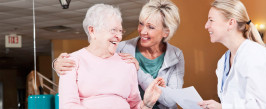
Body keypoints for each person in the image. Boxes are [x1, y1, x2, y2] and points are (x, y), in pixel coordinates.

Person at [54, 0, 183, 108]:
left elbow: (136, 105)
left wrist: (147, 104)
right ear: (92, 31)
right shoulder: (72, 61)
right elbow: (68, 105)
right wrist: (56, 64)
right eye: (113, 30)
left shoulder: (127, 62)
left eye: (120, 31)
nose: (119, 36)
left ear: (166, 32)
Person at [198, 0, 266, 109]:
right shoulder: (223, 62)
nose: (206, 26)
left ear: (231, 23)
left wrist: (222, 107)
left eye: (211, 20)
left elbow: (262, 106)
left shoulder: (255, 55)